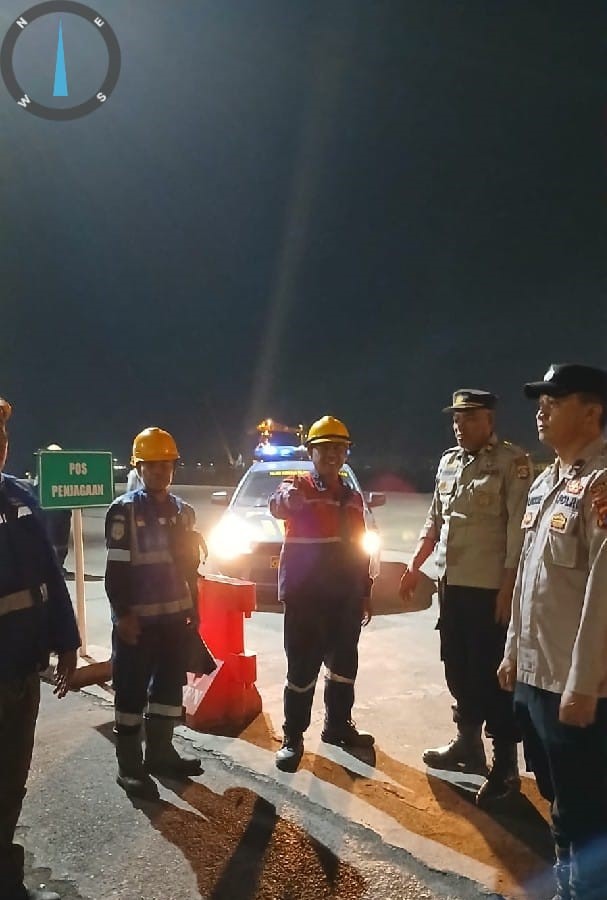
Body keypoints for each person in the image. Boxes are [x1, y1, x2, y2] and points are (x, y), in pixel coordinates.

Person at [498, 364, 607, 900]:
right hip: (535, 677)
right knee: (560, 800)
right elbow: (528, 577)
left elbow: (604, 592)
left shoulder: (602, 484)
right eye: (540, 401)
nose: (541, 409)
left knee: (588, 813)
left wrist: (584, 684)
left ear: (591, 413)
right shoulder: (547, 482)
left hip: (574, 688)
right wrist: (511, 653)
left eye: (555, 401)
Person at [400, 389, 532, 807]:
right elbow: (435, 519)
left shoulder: (512, 463)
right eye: (456, 419)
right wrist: (414, 563)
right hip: (452, 585)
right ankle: (467, 743)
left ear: (490, 420)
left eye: (470, 418)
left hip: (490, 590)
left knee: (493, 677)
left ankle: (505, 766)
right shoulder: (448, 462)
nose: (460, 426)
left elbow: (518, 530)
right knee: (456, 667)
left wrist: (509, 586)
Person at [0, 398, 80, 900]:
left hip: (23, 668)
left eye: (1, 437)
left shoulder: (20, 497)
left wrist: (67, 641)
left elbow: (50, 574)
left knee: (12, 777)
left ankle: (6, 874)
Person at [105, 427, 212, 799]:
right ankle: (129, 767)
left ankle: (161, 755)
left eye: (165, 464)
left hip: (174, 623)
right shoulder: (124, 511)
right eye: (151, 465)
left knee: (168, 691)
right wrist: (123, 615)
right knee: (131, 694)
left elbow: (189, 571)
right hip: (138, 625)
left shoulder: (183, 513)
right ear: (139, 468)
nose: (159, 471)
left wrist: (195, 611)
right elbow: (116, 571)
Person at [269, 415, 374, 773]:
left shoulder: (352, 497)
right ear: (311, 452)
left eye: (339, 448)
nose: (332, 454)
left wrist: (365, 592)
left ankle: (338, 726)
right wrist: (289, 499)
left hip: (345, 598)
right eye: (324, 448)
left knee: (344, 667)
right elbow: (278, 503)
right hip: (306, 599)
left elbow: (360, 547)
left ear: (346, 453)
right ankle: (293, 737)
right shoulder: (297, 487)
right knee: (302, 669)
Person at [42, 446, 72, 573]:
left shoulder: (66, 471)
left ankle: (59, 566)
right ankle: (51, 568)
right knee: (51, 541)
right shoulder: (44, 470)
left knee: (62, 542)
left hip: (64, 512)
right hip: (50, 513)